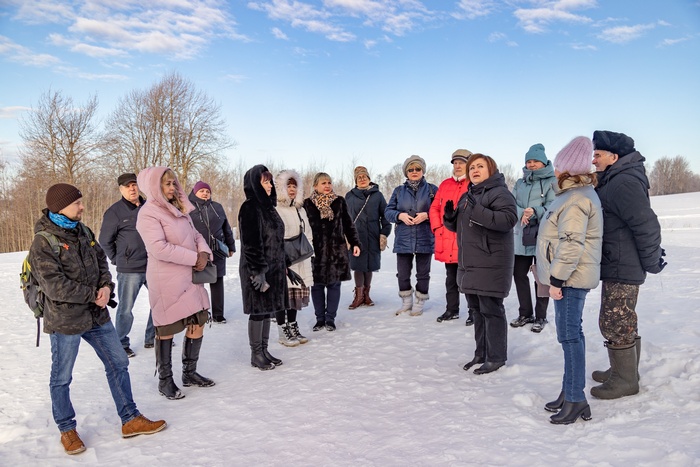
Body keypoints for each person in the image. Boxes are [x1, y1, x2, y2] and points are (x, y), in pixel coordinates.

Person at [30, 183, 166, 455]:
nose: (82, 206)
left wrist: (106, 287)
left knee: (118, 362)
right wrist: (94, 294)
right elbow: (55, 286)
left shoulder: (83, 231)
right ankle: (67, 429)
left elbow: (102, 262)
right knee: (62, 376)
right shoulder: (43, 241)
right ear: (61, 207)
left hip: (97, 316)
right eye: (77, 203)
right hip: (65, 320)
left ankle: (130, 419)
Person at [590, 130, 666, 400]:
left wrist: (651, 260)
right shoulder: (614, 178)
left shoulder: (622, 182)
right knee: (621, 320)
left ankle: (625, 381)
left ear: (614, 156)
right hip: (618, 260)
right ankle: (624, 372)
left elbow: (645, 223)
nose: (593, 160)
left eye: (597, 155)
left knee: (615, 321)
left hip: (624, 263)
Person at [537, 136, 602, 424]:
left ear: (567, 168)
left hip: (570, 278)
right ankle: (570, 392)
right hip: (571, 276)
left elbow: (571, 243)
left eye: (559, 163)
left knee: (570, 336)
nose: (555, 168)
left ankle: (576, 398)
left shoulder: (575, 199)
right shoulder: (573, 194)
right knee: (571, 335)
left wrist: (557, 279)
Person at [136, 167, 215, 399]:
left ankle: (189, 372)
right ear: (153, 186)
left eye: (173, 183)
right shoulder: (148, 213)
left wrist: (203, 253)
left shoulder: (180, 209)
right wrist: (193, 258)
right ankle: (165, 380)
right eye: (166, 184)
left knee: (198, 320)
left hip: (191, 276)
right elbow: (158, 248)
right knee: (167, 328)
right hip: (167, 279)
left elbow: (196, 235)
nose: (172, 188)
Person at [443, 153, 517, 375]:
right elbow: (464, 228)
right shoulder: (468, 196)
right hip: (471, 262)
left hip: (491, 261)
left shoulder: (500, 193)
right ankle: (481, 352)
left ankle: (496, 357)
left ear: (490, 170)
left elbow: (507, 220)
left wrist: (476, 210)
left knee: (491, 309)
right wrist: (450, 218)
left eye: (480, 166)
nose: (474, 170)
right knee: (476, 310)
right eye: (472, 167)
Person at [239, 165, 303, 369]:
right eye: (264, 182)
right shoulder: (250, 207)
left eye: (269, 181)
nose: (269, 185)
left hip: (274, 268)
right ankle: (256, 354)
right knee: (258, 311)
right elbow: (251, 243)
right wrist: (258, 272)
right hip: (257, 270)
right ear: (254, 184)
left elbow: (276, 241)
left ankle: (264, 350)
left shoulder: (269, 208)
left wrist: (284, 264)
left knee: (267, 311)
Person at [99, 173, 156, 357]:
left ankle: (152, 337)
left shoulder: (150, 206)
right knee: (125, 309)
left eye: (134, 185)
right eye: (127, 186)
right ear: (120, 189)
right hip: (129, 269)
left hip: (153, 265)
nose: (132, 189)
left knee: (160, 302)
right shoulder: (114, 212)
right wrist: (118, 259)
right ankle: (121, 343)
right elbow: (105, 241)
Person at [304, 172, 361, 331]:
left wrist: (355, 242)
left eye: (329, 182)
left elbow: (349, 225)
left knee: (334, 285)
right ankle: (319, 319)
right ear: (315, 186)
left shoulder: (339, 202)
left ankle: (330, 319)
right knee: (316, 286)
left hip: (336, 251)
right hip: (315, 252)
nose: (327, 185)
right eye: (323, 183)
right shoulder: (307, 204)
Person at [510, 144, 557, 333]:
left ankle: (541, 316)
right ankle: (525, 313)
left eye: (535, 161)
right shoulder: (520, 183)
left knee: (541, 277)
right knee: (518, 274)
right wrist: (522, 212)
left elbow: (554, 206)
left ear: (543, 162)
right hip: (521, 235)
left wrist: (535, 211)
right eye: (528, 161)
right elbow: (511, 203)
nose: (531, 165)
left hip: (542, 236)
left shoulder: (551, 182)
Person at [385, 155, 438, 317]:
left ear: (423, 170)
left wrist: (427, 215)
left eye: (418, 169)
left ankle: (420, 302)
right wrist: (399, 216)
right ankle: (406, 301)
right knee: (402, 272)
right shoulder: (398, 191)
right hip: (403, 238)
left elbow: (441, 211)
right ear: (406, 172)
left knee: (423, 273)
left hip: (425, 237)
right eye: (411, 169)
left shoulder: (432, 189)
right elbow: (388, 212)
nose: (414, 172)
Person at [429, 149, 475, 325]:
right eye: (455, 163)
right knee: (451, 278)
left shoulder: (473, 183)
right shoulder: (445, 184)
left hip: (467, 240)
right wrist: (437, 227)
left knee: (469, 279)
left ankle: (473, 311)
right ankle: (452, 309)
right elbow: (434, 208)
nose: (457, 166)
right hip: (447, 238)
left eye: (461, 162)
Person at [274, 169, 314, 346]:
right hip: (285, 258)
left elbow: (308, 232)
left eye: (294, 186)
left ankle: (292, 325)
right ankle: (282, 330)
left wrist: (309, 251)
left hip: (301, 258)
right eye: (288, 186)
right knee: (284, 295)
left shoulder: (300, 209)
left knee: (295, 295)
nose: (292, 189)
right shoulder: (276, 209)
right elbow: (274, 235)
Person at [188, 180, 236, 324]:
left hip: (217, 250)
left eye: (207, 191)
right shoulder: (188, 208)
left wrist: (231, 246)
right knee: (196, 283)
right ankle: (197, 313)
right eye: (201, 191)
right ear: (195, 192)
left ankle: (218, 314)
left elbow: (226, 227)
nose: (205, 194)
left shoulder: (217, 207)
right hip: (197, 251)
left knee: (217, 280)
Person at [345, 166, 392, 309]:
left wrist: (384, 233)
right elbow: (345, 218)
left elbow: (385, 216)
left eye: (364, 176)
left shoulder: (377, 195)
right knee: (358, 266)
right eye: (359, 177)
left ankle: (366, 295)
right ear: (355, 180)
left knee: (370, 265)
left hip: (373, 235)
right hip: (356, 235)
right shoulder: (350, 196)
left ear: (369, 179)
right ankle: (358, 296)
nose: (362, 179)